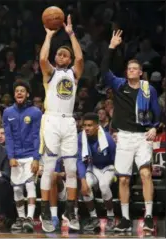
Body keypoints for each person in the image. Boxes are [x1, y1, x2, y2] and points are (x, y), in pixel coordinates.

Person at [101, 30, 160, 232]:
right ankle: (125, 219)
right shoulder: (119, 85)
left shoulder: (148, 89)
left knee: (145, 174)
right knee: (124, 178)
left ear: (141, 72)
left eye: (135, 68)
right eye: (129, 68)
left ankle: (149, 217)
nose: (131, 71)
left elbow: (157, 113)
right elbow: (103, 71)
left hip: (143, 137)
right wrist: (111, 47)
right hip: (124, 137)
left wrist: (154, 128)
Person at [39, 14, 83, 232]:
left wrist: (71, 34)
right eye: (59, 54)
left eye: (65, 54)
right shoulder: (51, 73)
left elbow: (81, 59)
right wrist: (49, 36)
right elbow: (41, 60)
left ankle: (71, 211)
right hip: (52, 120)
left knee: (72, 169)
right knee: (48, 168)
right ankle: (45, 211)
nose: (61, 56)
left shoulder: (74, 73)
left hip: (69, 122)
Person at [3, 80, 42, 232]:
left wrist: (36, 158)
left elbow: (36, 136)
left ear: (27, 94)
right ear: (14, 94)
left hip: (30, 156)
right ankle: (20, 218)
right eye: (17, 91)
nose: (19, 93)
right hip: (16, 157)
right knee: (17, 189)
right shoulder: (7, 112)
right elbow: (8, 136)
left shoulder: (35, 112)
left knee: (30, 185)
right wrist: (11, 156)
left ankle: (30, 218)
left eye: (22, 91)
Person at [77, 113, 116, 231]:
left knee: (103, 185)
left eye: (90, 125)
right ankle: (94, 218)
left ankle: (111, 216)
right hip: (92, 166)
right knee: (86, 187)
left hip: (107, 166)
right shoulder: (80, 137)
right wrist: (82, 180)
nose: (86, 128)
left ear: (97, 126)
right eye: (84, 125)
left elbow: (115, 156)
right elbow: (80, 160)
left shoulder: (107, 137)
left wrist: (116, 174)